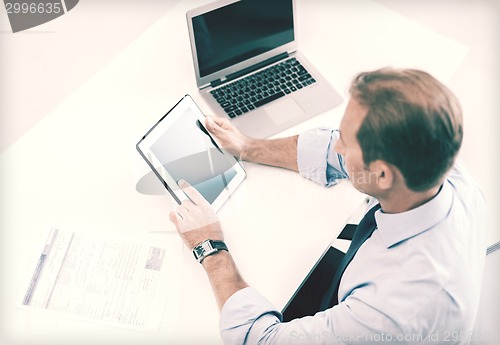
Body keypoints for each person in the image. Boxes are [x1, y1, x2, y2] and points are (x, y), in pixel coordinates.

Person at [169, 68, 487, 344]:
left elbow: (260, 339)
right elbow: (333, 153)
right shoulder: (441, 165)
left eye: (346, 142)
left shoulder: (388, 311)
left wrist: (210, 247)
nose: (337, 144)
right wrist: (248, 146)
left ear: (383, 174)